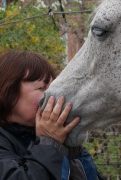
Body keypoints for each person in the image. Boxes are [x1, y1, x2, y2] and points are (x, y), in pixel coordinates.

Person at [0, 50, 105, 180]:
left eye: (53, 88)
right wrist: (49, 143)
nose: (54, 98)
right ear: (8, 92)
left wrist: (72, 150)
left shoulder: (53, 137)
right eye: (42, 88)